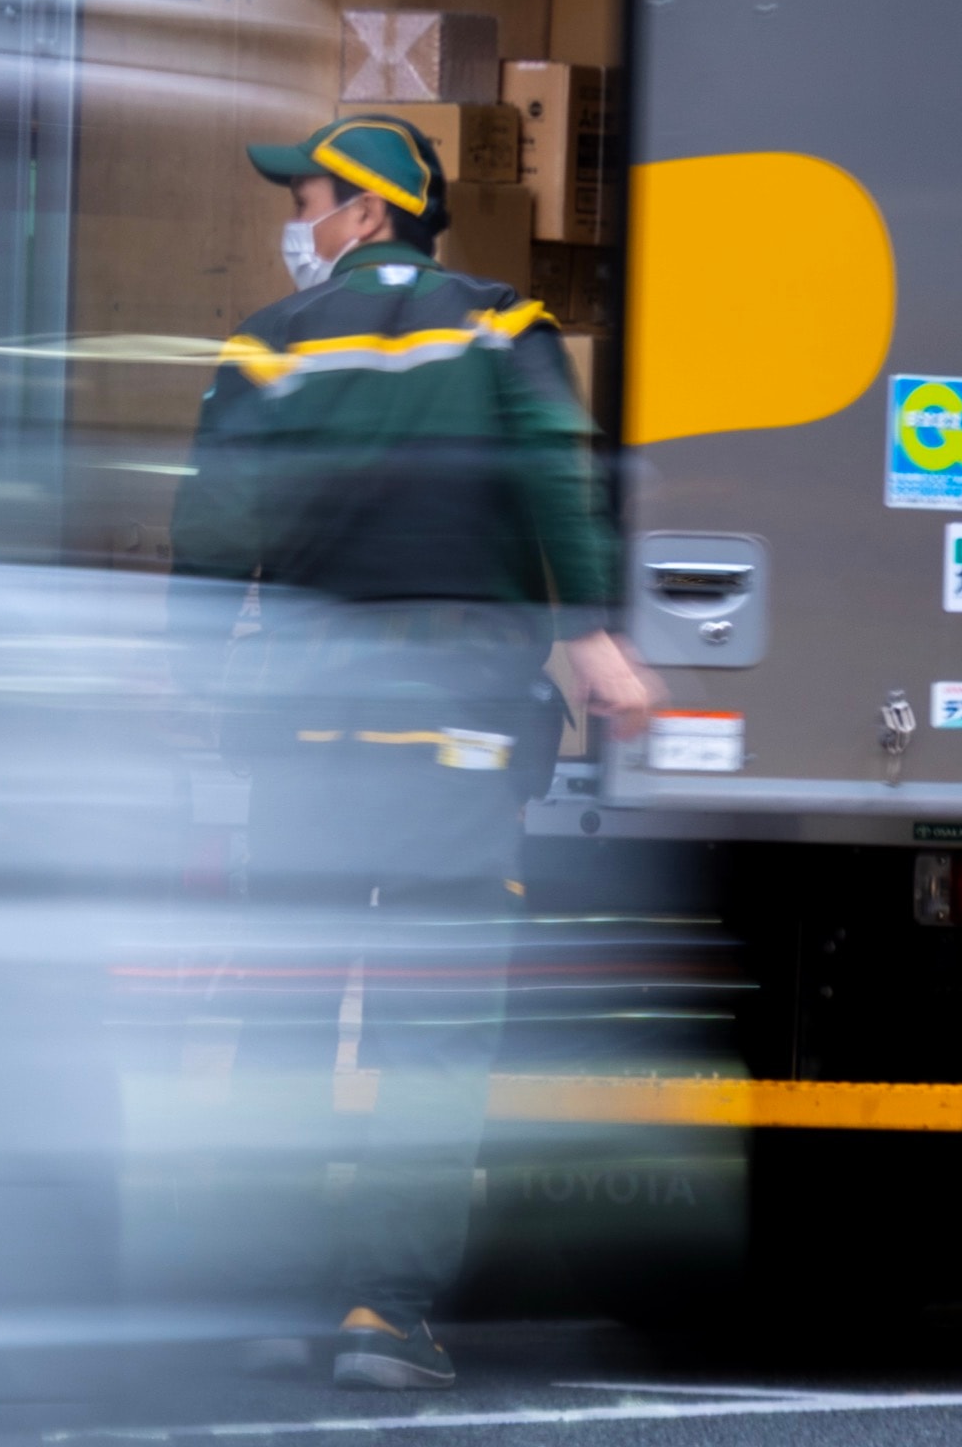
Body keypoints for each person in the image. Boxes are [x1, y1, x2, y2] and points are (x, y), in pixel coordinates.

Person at [171, 115, 656, 1390]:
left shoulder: (266, 348)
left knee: (282, 1029)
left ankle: (273, 1296)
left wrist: (176, 674)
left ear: (370, 213)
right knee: (431, 1038)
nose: (301, 216)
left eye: (313, 195)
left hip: (301, 748)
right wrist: (593, 638)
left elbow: (213, 527)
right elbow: (560, 472)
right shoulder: (505, 329)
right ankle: (384, 1315)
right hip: (452, 745)